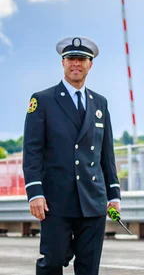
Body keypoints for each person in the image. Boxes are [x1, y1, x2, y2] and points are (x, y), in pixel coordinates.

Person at [22, 37, 121, 274]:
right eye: (71, 59)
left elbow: (106, 153)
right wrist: (34, 192)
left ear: (90, 65)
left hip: (93, 200)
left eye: (82, 59)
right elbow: (32, 151)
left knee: (89, 267)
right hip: (55, 200)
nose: (76, 64)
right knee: (53, 261)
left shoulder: (100, 103)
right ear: (63, 63)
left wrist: (114, 194)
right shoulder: (42, 100)